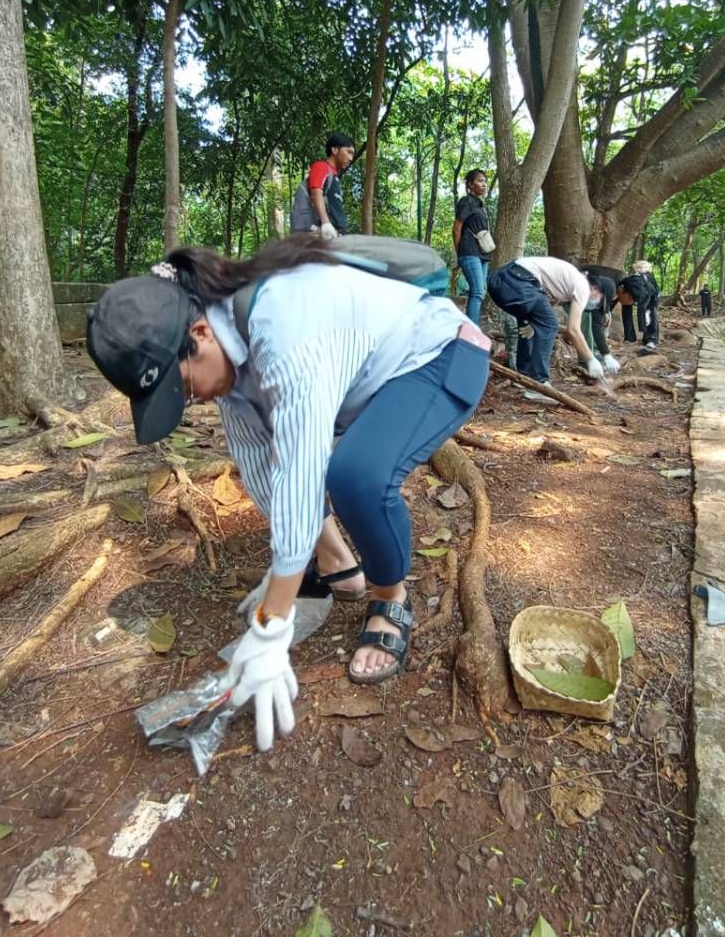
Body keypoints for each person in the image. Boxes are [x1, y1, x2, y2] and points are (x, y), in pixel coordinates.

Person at [86, 236, 489, 752]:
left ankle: (391, 598)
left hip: (441, 354)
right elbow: (261, 466)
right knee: (311, 483)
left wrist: (271, 624)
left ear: (201, 333)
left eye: (183, 388)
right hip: (375, 380)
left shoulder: (284, 325)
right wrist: (291, 572)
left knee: (357, 476)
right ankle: (342, 566)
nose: (191, 401)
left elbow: (301, 469)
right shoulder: (228, 359)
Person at [487, 255, 607, 384]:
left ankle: (523, 377)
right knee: (550, 325)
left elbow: (545, 307)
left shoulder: (566, 281)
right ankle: (539, 381)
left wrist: (533, 323)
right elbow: (573, 330)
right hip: (518, 282)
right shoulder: (583, 286)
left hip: (498, 281)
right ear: (595, 288)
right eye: (598, 297)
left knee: (530, 326)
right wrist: (591, 360)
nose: (595, 301)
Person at [289, 132, 355, 237]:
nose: (351, 158)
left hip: (333, 234)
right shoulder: (321, 167)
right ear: (335, 150)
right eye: (349, 152)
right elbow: (316, 192)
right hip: (317, 233)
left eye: (352, 154)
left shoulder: (334, 177)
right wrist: (326, 223)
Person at [453, 168, 494, 325]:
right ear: (470, 185)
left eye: (484, 181)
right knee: (477, 291)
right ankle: (471, 333)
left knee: (480, 292)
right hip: (469, 252)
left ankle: (471, 329)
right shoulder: (466, 202)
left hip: (482, 254)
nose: (484, 184)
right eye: (479, 181)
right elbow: (457, 228)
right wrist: (460, 253)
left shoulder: (480, 205)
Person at [620, 259, 660, 350]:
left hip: (643, 296)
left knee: (648, 314)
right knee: (650, 315)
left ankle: (630, 338)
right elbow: (656, 291)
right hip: (644, 296)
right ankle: (650, 339)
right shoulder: (647, 277)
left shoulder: (634, 277)